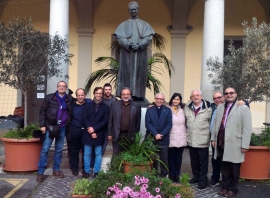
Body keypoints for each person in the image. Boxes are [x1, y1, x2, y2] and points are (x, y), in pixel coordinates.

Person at [211, 87, 252, 197]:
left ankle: (232, 189)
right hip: (221, 142)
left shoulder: (243, 108)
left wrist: (245, 145)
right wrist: (213, 139)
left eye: (231, 93)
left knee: (234, 168)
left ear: (236, 94)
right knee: (224, 166)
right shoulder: (220, 107)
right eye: (227, 93)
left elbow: (247, 128)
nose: (229, 95)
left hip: (235, 143)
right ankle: (225, 187)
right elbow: (215, 124)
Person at [114, 1, 155, 100]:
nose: (133, 11)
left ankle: (139, 96)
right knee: (126, 73)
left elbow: (148, 37)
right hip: (126, 53)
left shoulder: (144, 24)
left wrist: (140, 45)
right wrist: (128, 44)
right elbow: (120, 38)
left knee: (140, 74)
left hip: (140, 53)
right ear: (128, 10)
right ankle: (126, 95)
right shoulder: (123, 25)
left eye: (135, 9)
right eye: (131, 9)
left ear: (138, 10)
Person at [37, 81, 74, 182]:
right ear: (57, 87)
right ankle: (40, 172)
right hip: (50, 127)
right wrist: (42, 125)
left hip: (62, 128)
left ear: (66, 88)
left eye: (63, 86)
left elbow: (79, 104)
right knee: (45, 150)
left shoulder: (69, 99)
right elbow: (42, 111)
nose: (61, 88)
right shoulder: (49, 97)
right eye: (60, 86)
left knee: (58, 150)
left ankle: (56, 169)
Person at [184, 89, 212, 189]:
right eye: (193, 95)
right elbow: (174, 106)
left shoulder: (209, 107)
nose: (195, 97)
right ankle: (196, 176)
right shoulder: (187, 107)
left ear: (201, 96)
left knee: (203, 162)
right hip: (191, 139)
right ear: (191, 97)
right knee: (194, 161)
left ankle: (203, 180)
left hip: (202, 139)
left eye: (197, 95)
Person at [82, 87, 109, 178]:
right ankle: (86, 171)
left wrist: (95, 129)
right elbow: (84, 118)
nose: (98, 95)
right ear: (94, 93)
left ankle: (96, 171)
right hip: (87, 132)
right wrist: (90, 129)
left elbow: (105, 121)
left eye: (100, 93)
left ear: (102, 95)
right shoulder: (87, 105)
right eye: (97, 93)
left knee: (98, 153)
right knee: (87, 153)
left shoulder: (105, 107)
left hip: (99, 133)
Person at [145, 93, 172, 178]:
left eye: (161, 99)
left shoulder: (168, 110)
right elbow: (148, 123)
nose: (159, 100)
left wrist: (161, 134)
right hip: (152, 138)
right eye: (158, 98)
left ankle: (164, 176)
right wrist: (155, 134)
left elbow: (169, 124)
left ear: (164, 101)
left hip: (164, 139)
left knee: (164, 159)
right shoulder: (150, 109)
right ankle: (153, 175)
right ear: (155, 99)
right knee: (153, 159)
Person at [108, 87, 141, 154]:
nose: (126, 96)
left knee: (128, 155)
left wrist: (135, 133)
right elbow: (110, 120)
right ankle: (115, 165)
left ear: (130, 95)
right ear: (121, 95)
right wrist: (109, 134)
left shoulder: (137, 105)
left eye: (128, 94)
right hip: (117, 135)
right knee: (116, 154)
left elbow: (138, 121)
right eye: (123, 94)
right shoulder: (114, 104)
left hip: (130, 135)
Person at [68, 88, 91, 176]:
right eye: (79, 95)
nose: (80, 97)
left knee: (86, 151)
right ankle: (74, 168)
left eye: (82, 95)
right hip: (74, 131)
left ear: (85, 95)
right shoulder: (72, 106)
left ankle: (85, 168)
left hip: (85, 132)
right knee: (74, 151)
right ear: (76, 96)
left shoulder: (89, 105)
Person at [167, 93, 187, 183]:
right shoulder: (167, 109)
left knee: (179, 158)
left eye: (177, 99)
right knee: (171, 157)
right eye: (174, 99)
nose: (175, 101)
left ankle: (177, 175)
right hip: (171, 136)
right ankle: (171, 175)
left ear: (180, 101)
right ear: (171, 100)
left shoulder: (183, 110)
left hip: (181, 136)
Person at [209, 91, 224, 187]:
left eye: (219, 97)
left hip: (224, 138)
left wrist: (244, 102)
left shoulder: (228, 107)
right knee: (215, 159)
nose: (217, 100)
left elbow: (244, 104)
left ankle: (226, 180)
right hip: (214, 138)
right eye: (215, 98)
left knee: (224, 160)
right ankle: (215, 178)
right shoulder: (211, 107)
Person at [102, 83, 118, 154]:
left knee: (116, 146)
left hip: (113, 125)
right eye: (106, 90)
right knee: (102, 145)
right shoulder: (100, 99)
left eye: (109, 89)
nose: (107, 91)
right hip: (103, 125)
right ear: (103, 90)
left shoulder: (115, 100)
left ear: (111, 90)